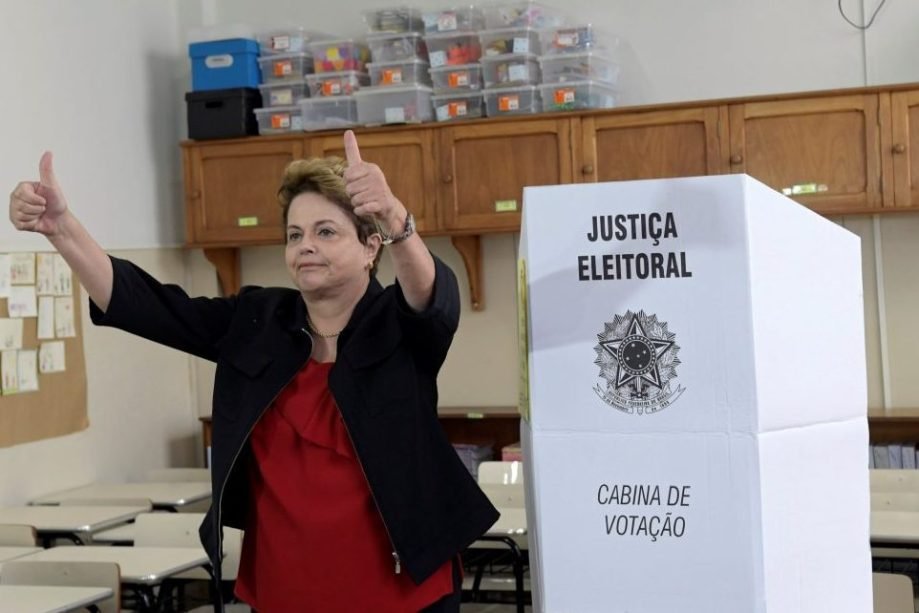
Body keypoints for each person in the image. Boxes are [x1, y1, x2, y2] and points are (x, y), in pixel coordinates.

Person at [8, 130, 500, 612]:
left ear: (371, 247)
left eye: (326, 231)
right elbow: (147, 305)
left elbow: (434, 301)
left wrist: (395, 218)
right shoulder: (258, 319)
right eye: (294, 234)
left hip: (397, 587)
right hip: (286, 580)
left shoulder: (398, 324)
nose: (305, 245)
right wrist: (62, 229)